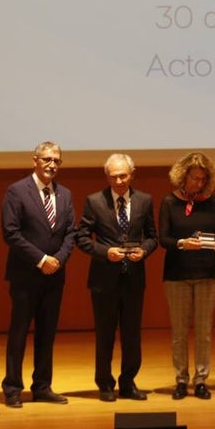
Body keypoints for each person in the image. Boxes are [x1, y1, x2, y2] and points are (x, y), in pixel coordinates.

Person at [0, 141, 76, 408]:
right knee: (19, 333)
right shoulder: (17, 191)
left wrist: (58, 260)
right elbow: (11, 233)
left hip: (55, 276)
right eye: (47, 159)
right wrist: (41, 260)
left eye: (56, 160)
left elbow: (71, 233)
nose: (52, 165)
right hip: (25, 275)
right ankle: (12, 388)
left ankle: (42, 386)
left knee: (47, 333)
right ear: (35, 161)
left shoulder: (65, 194)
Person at [75, 153, 157, 401]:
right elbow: (82, 237)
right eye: (113, 177)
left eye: (123, 176)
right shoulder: (94, 201)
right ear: (106, 177)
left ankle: (128, 383)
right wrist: (105, 252)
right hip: (104, 279)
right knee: (105, 334)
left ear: (132, 174)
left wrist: (144, 251)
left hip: (133, 278)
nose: (119, 181)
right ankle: (105, 384)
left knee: (132, 334)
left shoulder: (144, 200)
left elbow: (152, 236)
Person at [158, 151, 215, 401]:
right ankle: (181, 379)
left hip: (208, 273)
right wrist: (181, 243)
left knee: (203, 331)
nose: (199, 183)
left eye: (203, 179)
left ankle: (200, 380)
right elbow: (163, 238)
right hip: (177, 274)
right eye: (194, 178)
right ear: (183, 176)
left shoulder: (213, 203)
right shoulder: (169, 202)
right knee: (179, 332)